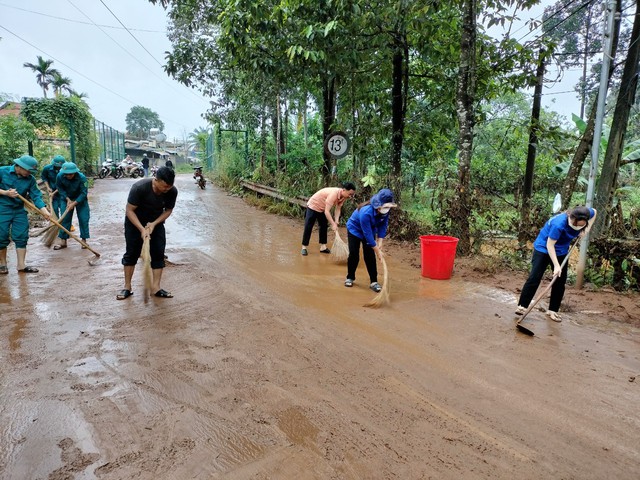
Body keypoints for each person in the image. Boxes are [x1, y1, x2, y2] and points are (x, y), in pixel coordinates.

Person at [516, 206, 597, 322]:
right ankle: (522, 306)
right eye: (578, 225)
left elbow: (594, 211)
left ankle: (553, 310)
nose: (579, 227)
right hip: (543, 248)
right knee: (535, 276)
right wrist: (556, 265)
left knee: (560, 281)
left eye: (581, 225)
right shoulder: (558, 224)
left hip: (561, 250)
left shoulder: (585, 214)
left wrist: (587, 229)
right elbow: (550, 245)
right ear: (572, 218)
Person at [117, 166, 178, 300]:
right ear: (156, 180)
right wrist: (142, 229)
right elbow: (129, 210)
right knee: (132, 252)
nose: (167, 189)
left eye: (169, 186)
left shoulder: (172, 191)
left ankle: (155, 287)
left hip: (155, 222)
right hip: (134, 222)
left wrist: (154, 224)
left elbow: (168, 210)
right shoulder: (139, 188)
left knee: (158, 252)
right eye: (164, 186)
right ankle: (127, 287)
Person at [0, 155, 50, 274]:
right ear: (20, 166)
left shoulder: (30, 179)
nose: (29, 173)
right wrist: (6, 193)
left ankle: (21, 266)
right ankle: (2, 264)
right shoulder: (2, 171)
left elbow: (36, 196)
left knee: (22, 235)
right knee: (1, 236)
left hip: (18, 210)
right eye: (28, 170)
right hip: (2, 209)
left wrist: (45, 211)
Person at [344, 188, 397, 292]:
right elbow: (367, 234)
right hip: (355, 230)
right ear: (378, 204)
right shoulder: (366, 212)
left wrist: (380, 241)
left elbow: (383, 225)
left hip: (369, 230)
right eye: (385, 206)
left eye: (388, 207)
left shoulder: (385, 211)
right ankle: (350, 277)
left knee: (369, 255)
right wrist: (377, 250)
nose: (387, 209)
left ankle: (374, 281)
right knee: (354, 254)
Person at [301, 181, 356, 256]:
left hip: (322, 208)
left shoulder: (343, 196)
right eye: (349, 194)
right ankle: (304, 247)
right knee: (308, 226)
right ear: (344, 190)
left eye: (352, 195)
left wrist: (336, 221)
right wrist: (333, 224)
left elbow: (338, 208)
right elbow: (327, 211)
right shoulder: (334, 194)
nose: (350, 196)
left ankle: (323, 247)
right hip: (313, 206)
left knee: (323, 226)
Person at [53, 162, 90, 250]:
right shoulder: (60, 176)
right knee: (65, 219)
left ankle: (84, 241)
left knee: (83, 218)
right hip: (66, 199)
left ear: (75, 172)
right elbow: (60, 188)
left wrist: (74, 203)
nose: (68, 176)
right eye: (66, 174)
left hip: (80, 199)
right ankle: (63, 241)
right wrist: (67, 199)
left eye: (71, 174)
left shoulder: (82, 178)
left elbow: (84, 193)